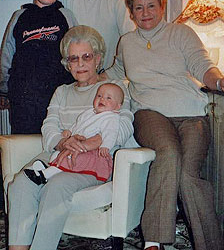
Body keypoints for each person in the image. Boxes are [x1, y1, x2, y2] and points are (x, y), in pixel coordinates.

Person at [102, 0, 224, 250]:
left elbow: (203, 65)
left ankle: (211, 245)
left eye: (151, 6)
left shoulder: (181, 33)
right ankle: (154, 241)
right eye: (139, 8)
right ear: (131, 11)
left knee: (189, 175)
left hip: (191, 114)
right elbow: (116, 72)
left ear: (162, 6)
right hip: (149, 112)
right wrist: (86, 78)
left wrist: (219, 81)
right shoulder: (127, 42)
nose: (146, 13)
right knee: (167, 153)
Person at [7, 25, 135, 250]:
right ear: (67, 64)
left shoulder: (112, 89)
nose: (80, 64)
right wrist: (62, 141)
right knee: (21, 184)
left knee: (56, 185)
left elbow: (124, 126)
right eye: (73, 59)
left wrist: (87, 143)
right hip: (57, 154)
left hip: (90, 162)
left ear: (97, 58)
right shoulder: (62, 91)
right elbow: (49, 126)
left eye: (86, 57)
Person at [0, 0, 78, 134]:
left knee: (55, 144)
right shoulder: (19, 16)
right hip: (23, 97)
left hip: (58, 95)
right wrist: (4, 90)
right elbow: (7, 54)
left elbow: (76, 51)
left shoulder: (66, 16)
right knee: (24, 144)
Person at [24, 83, 130, 184]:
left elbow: (111, 132)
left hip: (94, 153)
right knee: (58, 155)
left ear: (117, 107)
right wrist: (69, 132)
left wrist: (105, 145)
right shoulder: (89, 113)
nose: (102, 99)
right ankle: (48, 170)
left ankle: (45, 174)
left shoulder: (111, 117)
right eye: (99, 96)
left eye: (108, 98)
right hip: (77, 146)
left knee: (72, 158)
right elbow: (78, 125)